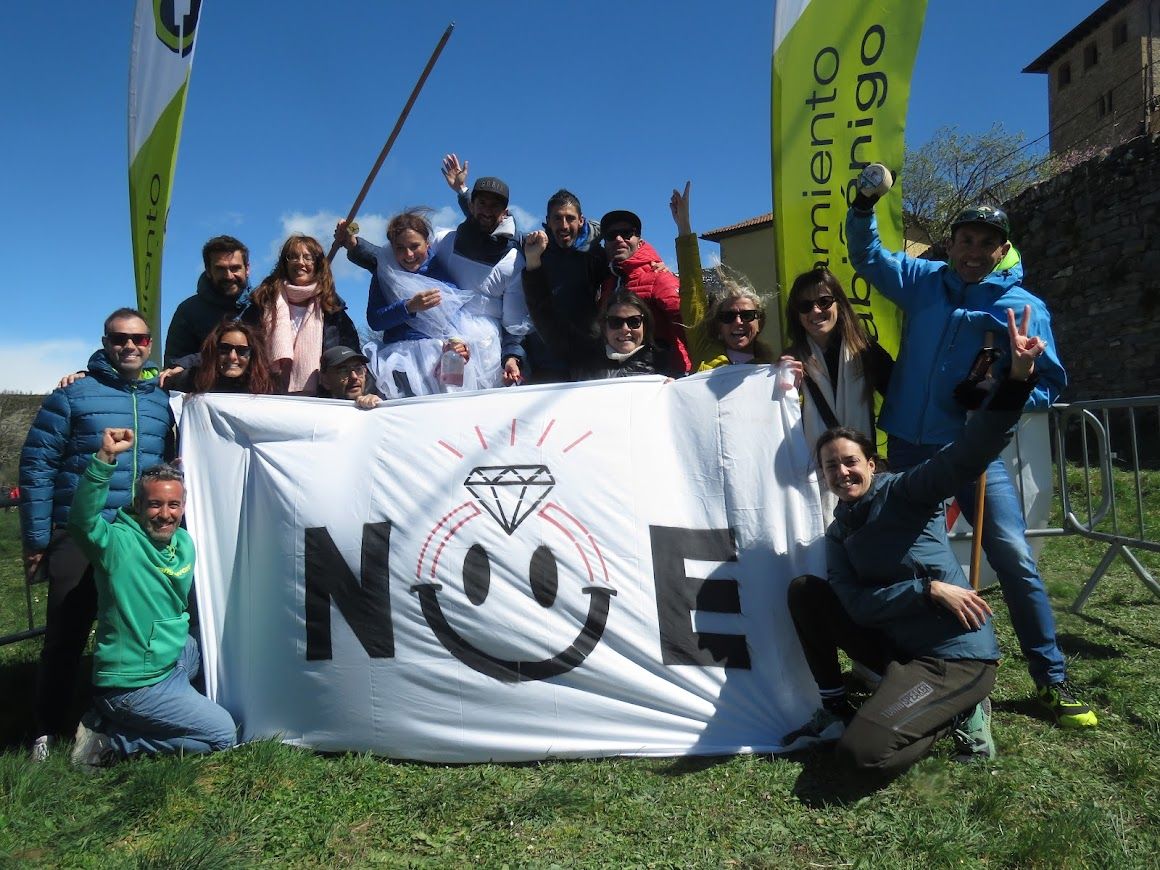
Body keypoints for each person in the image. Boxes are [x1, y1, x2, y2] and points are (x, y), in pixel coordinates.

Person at [846, 166, 1096, 729]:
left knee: (1011, 555)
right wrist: (863, 206)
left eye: (987, 243)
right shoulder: (923, 281)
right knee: (898, 560)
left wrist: (1012, 383)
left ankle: (1050, 679)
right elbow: (868, 257)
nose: (974, 250)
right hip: (908, 451)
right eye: (966, 239)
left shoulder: (1023, 306)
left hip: (969, 454)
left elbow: (1051, 385)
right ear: (953, 242)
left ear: (1002, 249)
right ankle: (910, 665)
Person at [784, 307, 1046, 773]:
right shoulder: (838, 532)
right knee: (806, 592)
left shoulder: (907, 491)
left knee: (860, 758)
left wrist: (1017, 381)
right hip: (897, 649)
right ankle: (837, 709)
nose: (841, 473)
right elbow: (858, 607)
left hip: (953, 653)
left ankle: (961, 708)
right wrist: (925, 590)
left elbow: (971, 451)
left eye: (849, 462)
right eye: (829, 466)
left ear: (871, 462)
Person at [20, 308, 174, 762]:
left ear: (150, 346)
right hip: (79, 533)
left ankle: (112, 721)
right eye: (120, 339)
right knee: (67, 633)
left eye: (140, 340)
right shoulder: (72, 395)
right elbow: (37, 465)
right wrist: (36, 539)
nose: (130, 347)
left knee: (131, 632)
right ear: (105, 342)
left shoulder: (159, 400)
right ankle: (47, 730)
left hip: (138, 537)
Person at [68, 427, 236, 768]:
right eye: (155, 504)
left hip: (171, 659)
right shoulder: (117, 545)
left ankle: (127, 716)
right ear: (138, 505)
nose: (165, 514)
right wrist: (105, 460)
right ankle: (112, 740)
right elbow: (82, 522)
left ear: (184, 506)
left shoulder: (184, 543)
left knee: (201, 647)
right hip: (133, 683)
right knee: (224, 736)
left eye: (174, 504)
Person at [781, 268, 894, 520]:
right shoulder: (788, 364)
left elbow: (901, 395)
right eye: (805, 305)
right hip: (812, 480)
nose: (815, 311)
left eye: (824, 301)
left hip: (863, 475)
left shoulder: (865, 352)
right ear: (796, 314)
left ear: (839, 304)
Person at [336, 212, 479, 397]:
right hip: (397, 361)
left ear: (427, 243)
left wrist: (458, 343)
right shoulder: (384, 276)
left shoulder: (441, 274)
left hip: (436, 359)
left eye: (414, 246)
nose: (408, 254)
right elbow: (375, 321)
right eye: (400, 248)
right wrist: (408, 307)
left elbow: (456, 319)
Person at [525, 231, 674, 381]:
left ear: (645, 325)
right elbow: (544, 314)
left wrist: (674, 387)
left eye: (634, 321)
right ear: (604, 326)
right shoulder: (583, 355)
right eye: (615, 322)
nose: (625, 329)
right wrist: (532, 261)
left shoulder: (664, 363)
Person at [431, 171, 531, 386]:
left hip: (487, 353)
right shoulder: (443, 241)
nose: (487, 210)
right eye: (482, 203)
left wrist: (512, 357)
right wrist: (356, 247)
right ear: (472, 206)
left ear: (504, 212)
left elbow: (514, 324)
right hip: (441, 342)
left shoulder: (514, 261)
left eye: (494, 206)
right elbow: (406, 262)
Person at [669, 182, 778, 370]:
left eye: (747, 315)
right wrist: (684, 227)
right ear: (718, 325)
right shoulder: (705, 352)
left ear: (760, 322)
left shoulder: (772, 371)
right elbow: (692, 293)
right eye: (728, 316)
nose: (738, 322)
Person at [517, 189, 608, 382]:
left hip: (588, 358)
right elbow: (494, 229)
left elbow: (628, 255)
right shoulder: (535, 247)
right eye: (557, 219)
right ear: (548, 221)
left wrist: (655, 262)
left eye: (570, 218)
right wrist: (464, 194)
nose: (564, 225)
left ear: (581, 220)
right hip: (546, 361)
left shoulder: (596, 254)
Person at [250, 235, 360, 395]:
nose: (300, 262)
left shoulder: (333, 311)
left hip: (320, 399)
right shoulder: (261, 304)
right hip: (267, 395)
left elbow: (352, 359)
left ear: (317, 264)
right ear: (285, 263)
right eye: (293, 257)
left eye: (308, 258)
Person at [600, 208, 689, 375]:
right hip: (622, 376)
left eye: (627, 233)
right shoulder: (608, 283)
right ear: (605, 244)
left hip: (664, 378)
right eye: (611, 235)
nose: (619, 239)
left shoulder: (660, 277)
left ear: (640, 241)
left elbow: (691, 325)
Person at [165, 236, 258, 366]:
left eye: (235, 268)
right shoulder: (188, 311)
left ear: (247, 269)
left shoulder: (261, 305)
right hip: (206, 385)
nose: (229, 276)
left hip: (258, 385)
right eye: (220, 269)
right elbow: (175, 365)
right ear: (208, 271)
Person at [161, 320, 276, 396]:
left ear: (253, 355)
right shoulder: (192, 379)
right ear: (214, 352)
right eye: (224, 349)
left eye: (242, 351)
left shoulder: (268, 387)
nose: (232, 357)